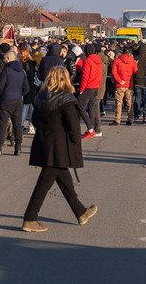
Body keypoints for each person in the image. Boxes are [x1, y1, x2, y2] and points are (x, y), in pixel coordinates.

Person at [21, 66, 98, 233]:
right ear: (66, 79)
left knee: (64, 180)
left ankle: (81, 212)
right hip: (59, 146)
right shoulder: (67, 100)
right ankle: (30, 218)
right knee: (44, 183)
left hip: (44, 142)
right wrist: (76, 145)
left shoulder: (41, 97)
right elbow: (73, 127)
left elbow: (35, 120)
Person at [0, 50, 28, 157]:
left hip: (6, 100)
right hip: (18, 100)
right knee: (17, 125)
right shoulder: (22, 71)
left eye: (5, 58)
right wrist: (19, 93)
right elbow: (26, 88)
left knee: (2, 125)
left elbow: (0, 86)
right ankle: (18, 148)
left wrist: (0, 96)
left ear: (8, 58)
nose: (4, 60)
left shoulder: (7, 70)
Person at [78, 44, 103, 136]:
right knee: (91, 108)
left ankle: (90, 128)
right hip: (95, 87)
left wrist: (81, 89)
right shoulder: (98, 60)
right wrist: (98, 86)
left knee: (81, 107)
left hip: (88, 87)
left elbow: (85, 76)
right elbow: (100, 75)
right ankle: (91, 129)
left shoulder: (87, 61)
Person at [111, 47, 138, 125]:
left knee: (119, 103)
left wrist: (119, 80)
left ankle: (117, 120)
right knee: (130, 103)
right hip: (129, 84)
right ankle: (130, 119)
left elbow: (114, 72)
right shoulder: (132, 61)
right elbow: (136, 72)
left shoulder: (117, 60)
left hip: (120, 85)